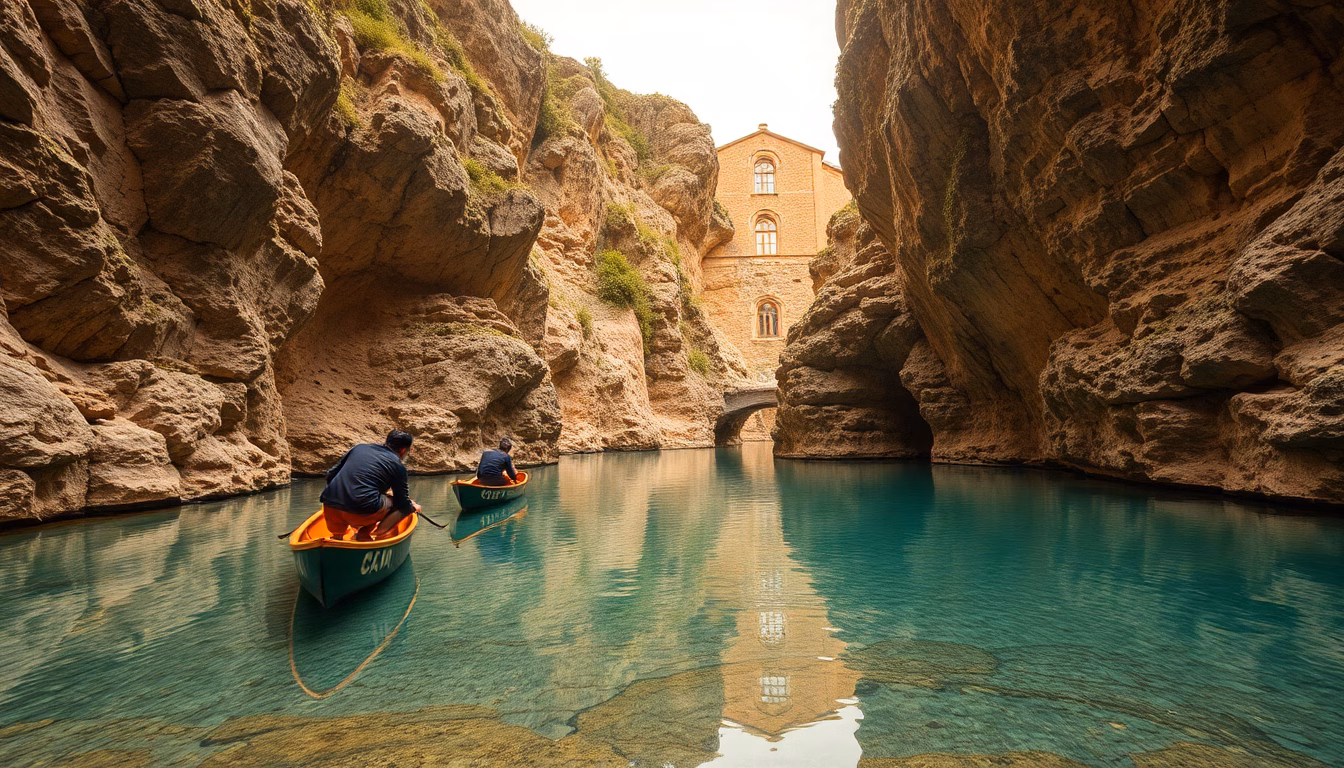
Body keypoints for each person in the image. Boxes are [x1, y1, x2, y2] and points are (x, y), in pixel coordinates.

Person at [321, 430, 422, 541]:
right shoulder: (398, 465)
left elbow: (330, 475)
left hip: (330, 506)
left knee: (373, 498)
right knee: (400, 507)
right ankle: (367, 533)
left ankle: (337, 537)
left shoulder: (359, 448)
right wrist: (412, 507)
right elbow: (401, 503)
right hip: (362, 513)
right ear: (403, 451)